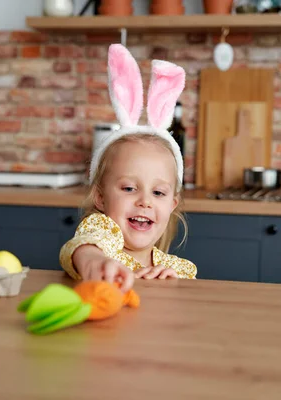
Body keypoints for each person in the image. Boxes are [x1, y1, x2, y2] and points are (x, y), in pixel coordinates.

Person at [59, 44, 197, 292]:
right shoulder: (101, 243)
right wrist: (95, 263)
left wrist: (173, 284)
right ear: (100, 197)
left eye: (158, 193)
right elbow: (83, 247)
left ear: (172, 204)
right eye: (130, 188)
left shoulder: (177, 269)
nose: (145, 201)